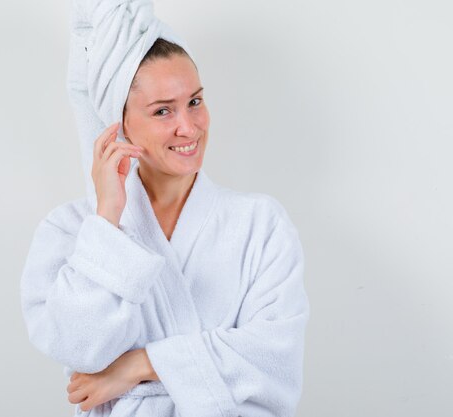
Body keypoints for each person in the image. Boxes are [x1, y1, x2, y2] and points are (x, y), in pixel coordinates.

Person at [20, 2, 310, 416]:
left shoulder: (260, 224)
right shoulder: (70, 231)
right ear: (118, 125)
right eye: (162, 111)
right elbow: (78, 348)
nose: (189, 127)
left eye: (195, 101)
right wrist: (108, 219)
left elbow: (275, 359)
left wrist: (140, 365)